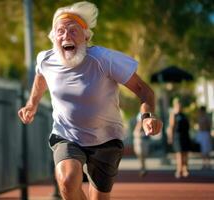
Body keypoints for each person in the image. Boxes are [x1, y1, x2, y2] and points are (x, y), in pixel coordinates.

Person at [18, 1, 162, 199]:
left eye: (72, 31)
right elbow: (41, 76)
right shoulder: (45, 59)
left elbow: (144, 90)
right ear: (53, 37)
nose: (66, 36)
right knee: (67, 181)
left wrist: (147, 116)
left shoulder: (104, 59)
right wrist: (31, 104)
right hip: (66, 134)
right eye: (60, 31)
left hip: (106, 139)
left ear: (86, 36)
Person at [167, 98, 191, 178]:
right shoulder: (173, 115)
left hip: (185, 136)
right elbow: (171, 127)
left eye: (180, 105)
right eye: (178, 105)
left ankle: (185, 170)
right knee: (179, 154)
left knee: (186, 154)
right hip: (177, 136)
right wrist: (170, 137)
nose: (179, 106)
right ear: (175, 105)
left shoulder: (184, 115)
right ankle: (179, 170)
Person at [133, 113, 150, 177]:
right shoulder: (139, 123)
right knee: (140, 154)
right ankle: (143, 168)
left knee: (143, 155)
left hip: (144, 140)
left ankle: (143, 168)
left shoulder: (147, 123)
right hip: (139, 140)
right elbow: (135, 133)